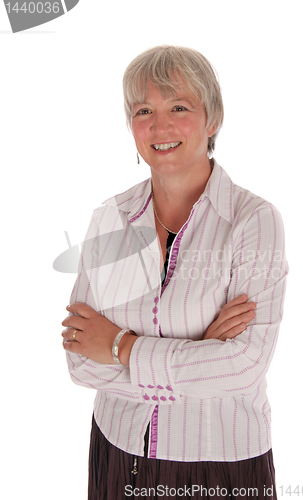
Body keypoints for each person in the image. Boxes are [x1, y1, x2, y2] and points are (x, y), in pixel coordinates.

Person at [61, 45, 288, 499]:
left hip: (221, 461)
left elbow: (243, 366)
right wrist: (201, 352)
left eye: (179, 107)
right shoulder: (111, 218)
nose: (159, 126)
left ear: (213, 118)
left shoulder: (253, 220)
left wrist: (121, 345)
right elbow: (81, 360)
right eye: (144, 110)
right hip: (118, 453)